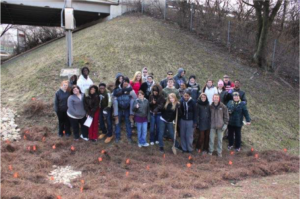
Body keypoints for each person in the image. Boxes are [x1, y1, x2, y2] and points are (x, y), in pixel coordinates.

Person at [113, 77, 135, 144]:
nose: (125, 83)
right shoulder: (117, 89)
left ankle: (129, 137)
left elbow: (135, 98)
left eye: (127, 82)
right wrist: (115, 112)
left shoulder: (131, 90)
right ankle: (117, 137)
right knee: (117, 122)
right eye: (124, 81)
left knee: (128, 123)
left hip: (127, 109)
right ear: (122, 82)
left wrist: (132, 111)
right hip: (119, 108)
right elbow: (114, 97)